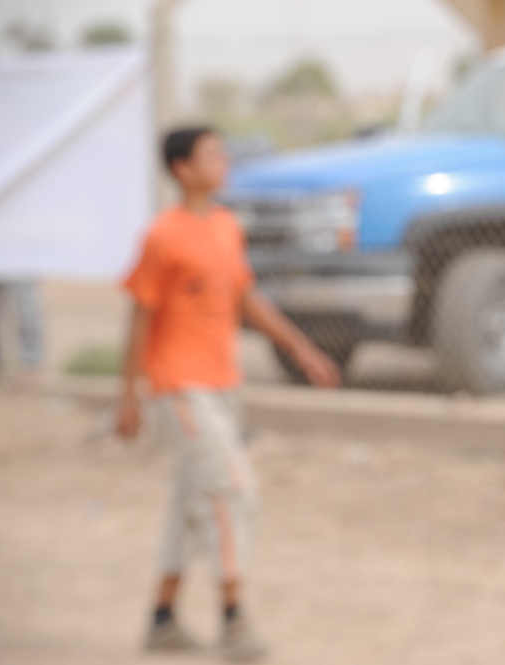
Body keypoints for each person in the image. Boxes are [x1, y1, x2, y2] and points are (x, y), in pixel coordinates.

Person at [116, 126, 341, 661]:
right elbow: (139, 319)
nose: (224, 161)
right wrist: (128, 396)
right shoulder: (162, 235)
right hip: (179, 387)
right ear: (181, 170)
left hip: (221, 386)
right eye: (211, 154)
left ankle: (162, 618)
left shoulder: (223, 226)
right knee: (233, 489)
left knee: (191, 501)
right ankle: (234, 617)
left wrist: (302, 348)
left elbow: (247, 299)